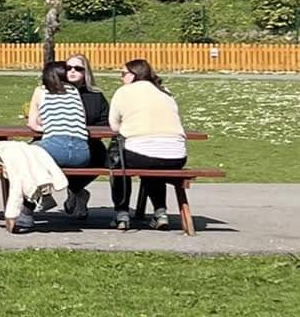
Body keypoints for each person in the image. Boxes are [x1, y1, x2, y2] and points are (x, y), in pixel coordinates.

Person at [107, 59, 188, 231]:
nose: (121, 78)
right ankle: (160, 212)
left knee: (119, 161)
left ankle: (122, 213)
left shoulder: (123, 92)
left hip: (142, 154)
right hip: (177, 156)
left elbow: (114, 126)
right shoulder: (165, 92)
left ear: (134, 75)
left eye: (123, 74)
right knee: (153, 164)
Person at [12, 60, 91, 230]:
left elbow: (32, 124)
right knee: (38, 157)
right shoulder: (74, 91)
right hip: (82, 152)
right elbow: (82, 119)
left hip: (56, 146)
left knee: (27, 157)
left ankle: (28, 211)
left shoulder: (41, 91)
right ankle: (47, 196)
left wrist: (46, 126)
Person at [61, 53, 109, 220]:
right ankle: (78, 192)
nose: (72, 71)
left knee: (103, 159)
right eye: (68, 68)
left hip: (89, 144)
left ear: (86, 72)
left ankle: (76, 191)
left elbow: (105, 122)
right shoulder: (54, 93)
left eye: (78, 68)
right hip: (59, 142)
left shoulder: (96, 96)